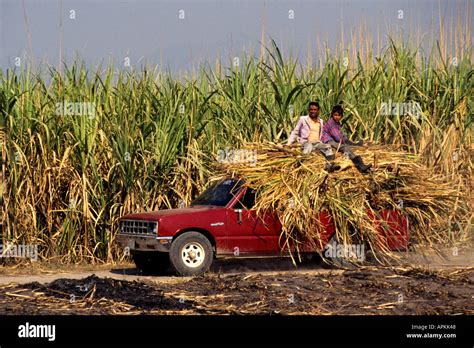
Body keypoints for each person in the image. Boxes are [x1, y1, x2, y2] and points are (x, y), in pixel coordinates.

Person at [288, 102, 340, 172]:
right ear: (308, 110)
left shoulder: (320, 121)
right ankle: (301, 164)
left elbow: (323, 134)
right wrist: (289, 143)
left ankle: (330, 164)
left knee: (327, 147)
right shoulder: (303, 119)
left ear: (318, 110)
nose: (313, 111)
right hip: (306, 142)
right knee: (308, 146)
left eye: (315, 110)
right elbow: (295, 131)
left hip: (317, 143)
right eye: (311, 109)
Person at [321, 105, 372, 173]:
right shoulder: (331, 123)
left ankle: (357, 147)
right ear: (332, 115)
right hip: (328, 141)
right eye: (335, 115)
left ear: (341, 116)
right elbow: (338, 138)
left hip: (332, 140)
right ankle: (360, 166)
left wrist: (346, 140)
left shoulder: (336, 123)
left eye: (339, 115)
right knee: (346, 147)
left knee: (346, 140)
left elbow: (340, 136)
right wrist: (347, 144)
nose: (337, 117)